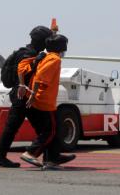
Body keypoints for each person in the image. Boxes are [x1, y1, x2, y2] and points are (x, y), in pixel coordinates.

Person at [0, 26, 53, 168]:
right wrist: (36, 61)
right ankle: (45, 157)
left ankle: (1, 157)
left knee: (15, 127)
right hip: (24, 95)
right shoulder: (29, 54)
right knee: (45, 128)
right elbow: (24, 73)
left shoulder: (25, 51)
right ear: (41, 40)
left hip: (21, 95)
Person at [19, 34, 75, 168]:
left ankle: (52, 158)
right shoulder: (55, 59)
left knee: (51, 129)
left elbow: (21, 67)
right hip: (44, 101)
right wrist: (33, 94)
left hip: (41, 99)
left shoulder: (44, 56)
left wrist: (25, 87)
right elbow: (40, 76)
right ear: (62, 47)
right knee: (50, 131)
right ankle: (31, 153)